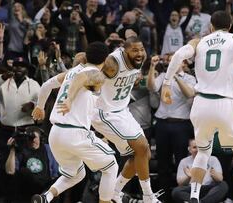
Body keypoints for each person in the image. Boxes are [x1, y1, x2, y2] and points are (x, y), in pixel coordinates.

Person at [161, 11, 233, 203]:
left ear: (211, 27)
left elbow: (180, 54)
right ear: (230, 26)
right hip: (226, 103)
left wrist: (166, 83)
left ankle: (194, 196)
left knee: (203, 152)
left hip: (201, 103)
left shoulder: (198, 42)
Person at [60, 37, 161, 203]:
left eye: (141, 49)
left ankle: (115, 191)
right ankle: (148, 196)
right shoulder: (113, 63)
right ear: (124, 50)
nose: (140, 53)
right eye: (135, 50)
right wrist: (70, 97)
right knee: (141, 146)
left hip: (122, 111)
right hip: (104, 113)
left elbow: (130, 78)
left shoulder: (139, 61)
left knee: (144, 154)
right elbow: (87, 65)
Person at [30, 42, 119, 203]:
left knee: (77, 174)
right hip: (75, 133)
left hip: (56, 134)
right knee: (111, 166)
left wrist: (40, 107)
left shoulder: (71, 72)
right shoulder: (92, 72)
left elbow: (46, 85)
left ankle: (46, 196)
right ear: (105, 59)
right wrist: (70, 98)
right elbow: (82, 78)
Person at [147, 55, 196, 202]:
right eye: (169, 61)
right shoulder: (163, 76)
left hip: (181, 124)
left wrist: (175, 76)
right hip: (162, 123)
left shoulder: (189, 78)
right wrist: (151, 67)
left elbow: (189, 93)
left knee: (181, 160)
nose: (170, 63)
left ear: (183, 63)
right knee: (163, 162)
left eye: (174, 61)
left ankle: (182, 196)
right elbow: (151, 87)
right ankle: (164, 196)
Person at [5, 126, 58, 201]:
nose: (33, 140)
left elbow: (55, 174)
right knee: (24, 171)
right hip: (28, 186)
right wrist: (12, 149)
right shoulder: (22, 150)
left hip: (46, 186)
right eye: (30, 138)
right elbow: (10, 171)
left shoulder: (48, 149)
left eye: (35, 137)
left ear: (40, 138)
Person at [172, 139, 228, 203]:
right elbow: (180, 183)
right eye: (194, 147)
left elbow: (220, 179)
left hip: (209, 189)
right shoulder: (184, 161)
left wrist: (215, 175)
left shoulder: (213, 159)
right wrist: (189, 177)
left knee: (223, 185)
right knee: (176, 191)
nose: (198, 150)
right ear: (189, 149)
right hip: (192, 189)